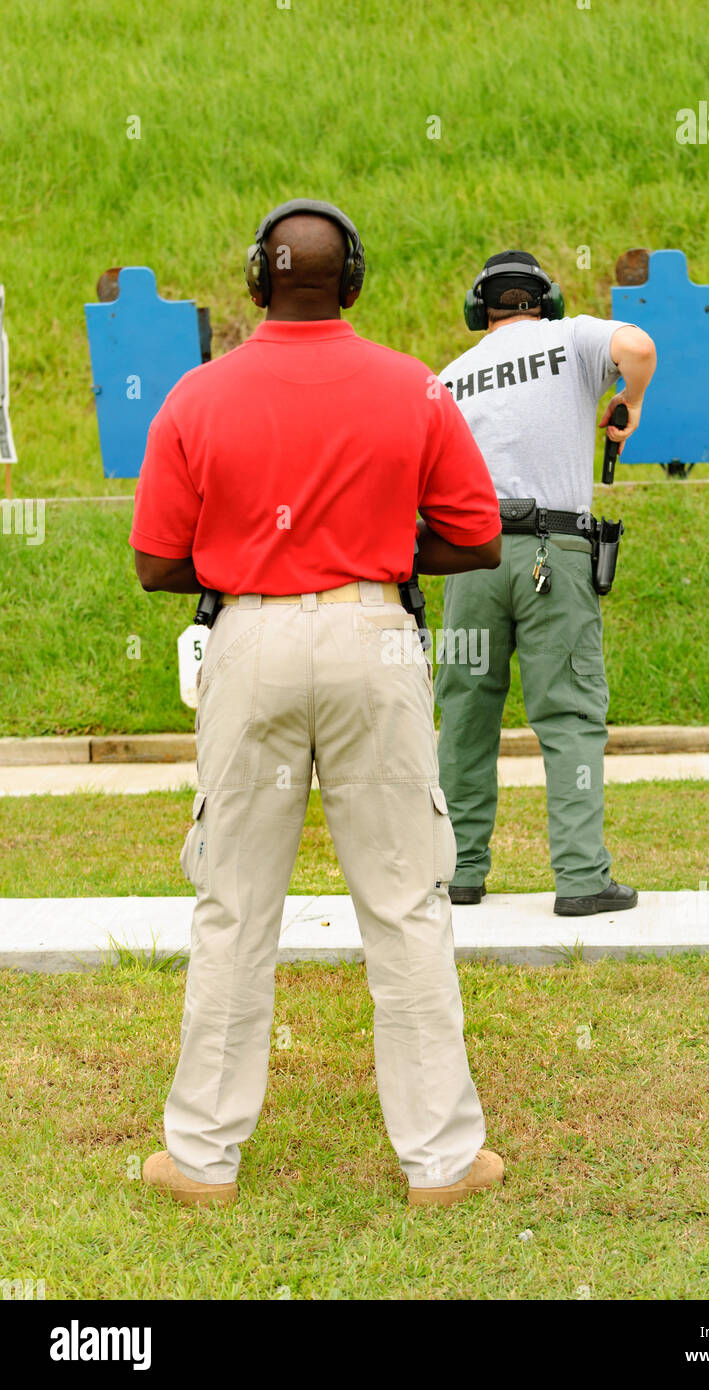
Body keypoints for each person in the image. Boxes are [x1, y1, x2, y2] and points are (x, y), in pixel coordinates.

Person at [128, 199, 506, 1208]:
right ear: (354, 279)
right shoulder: (414, 387)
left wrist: (258, 557)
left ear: (257, 279)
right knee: (405, 902)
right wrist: (374, 549)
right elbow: (477, 540)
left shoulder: (195, 396)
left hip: (248, 641)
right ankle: (443, 1159)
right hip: (372, 636)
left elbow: (156, 562)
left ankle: (202, 1157)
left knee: (233, 905)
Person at [436, 250, 656, 915]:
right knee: (569, 714)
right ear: (545, 299)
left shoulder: (449, 378)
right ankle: (582, 879)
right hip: (553, 553)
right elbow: (638, 346)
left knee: (465, 716)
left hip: (467, 561)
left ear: (481, 308)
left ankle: (459, 872)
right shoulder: (572, 338)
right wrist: (629, 400)